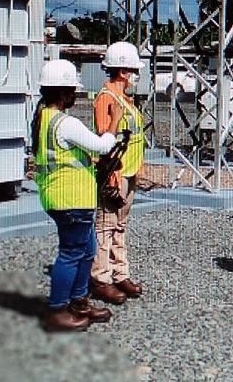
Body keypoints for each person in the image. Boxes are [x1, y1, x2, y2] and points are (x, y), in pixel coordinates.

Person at [31, 59, 121, 332]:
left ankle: (79, 302)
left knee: (88, 250)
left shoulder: (42, 118)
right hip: (70, 199)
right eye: (73, 90)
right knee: (71, 254)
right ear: (64, 92)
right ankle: (58, 309)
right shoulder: (65, 123)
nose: (75, 95)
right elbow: (103, 145)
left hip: (58, 196)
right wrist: (115, 121)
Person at [90, 42, 146, 305]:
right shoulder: (106, 99)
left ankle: (119, 273)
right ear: (123, 71)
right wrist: (111, 174)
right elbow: (105, 139)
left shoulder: (125, 100)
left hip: (130, 171)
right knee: (105, 225)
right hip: (116, 172)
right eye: (134, 70)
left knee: (120, 225)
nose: (136, 75)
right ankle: (100, 277)